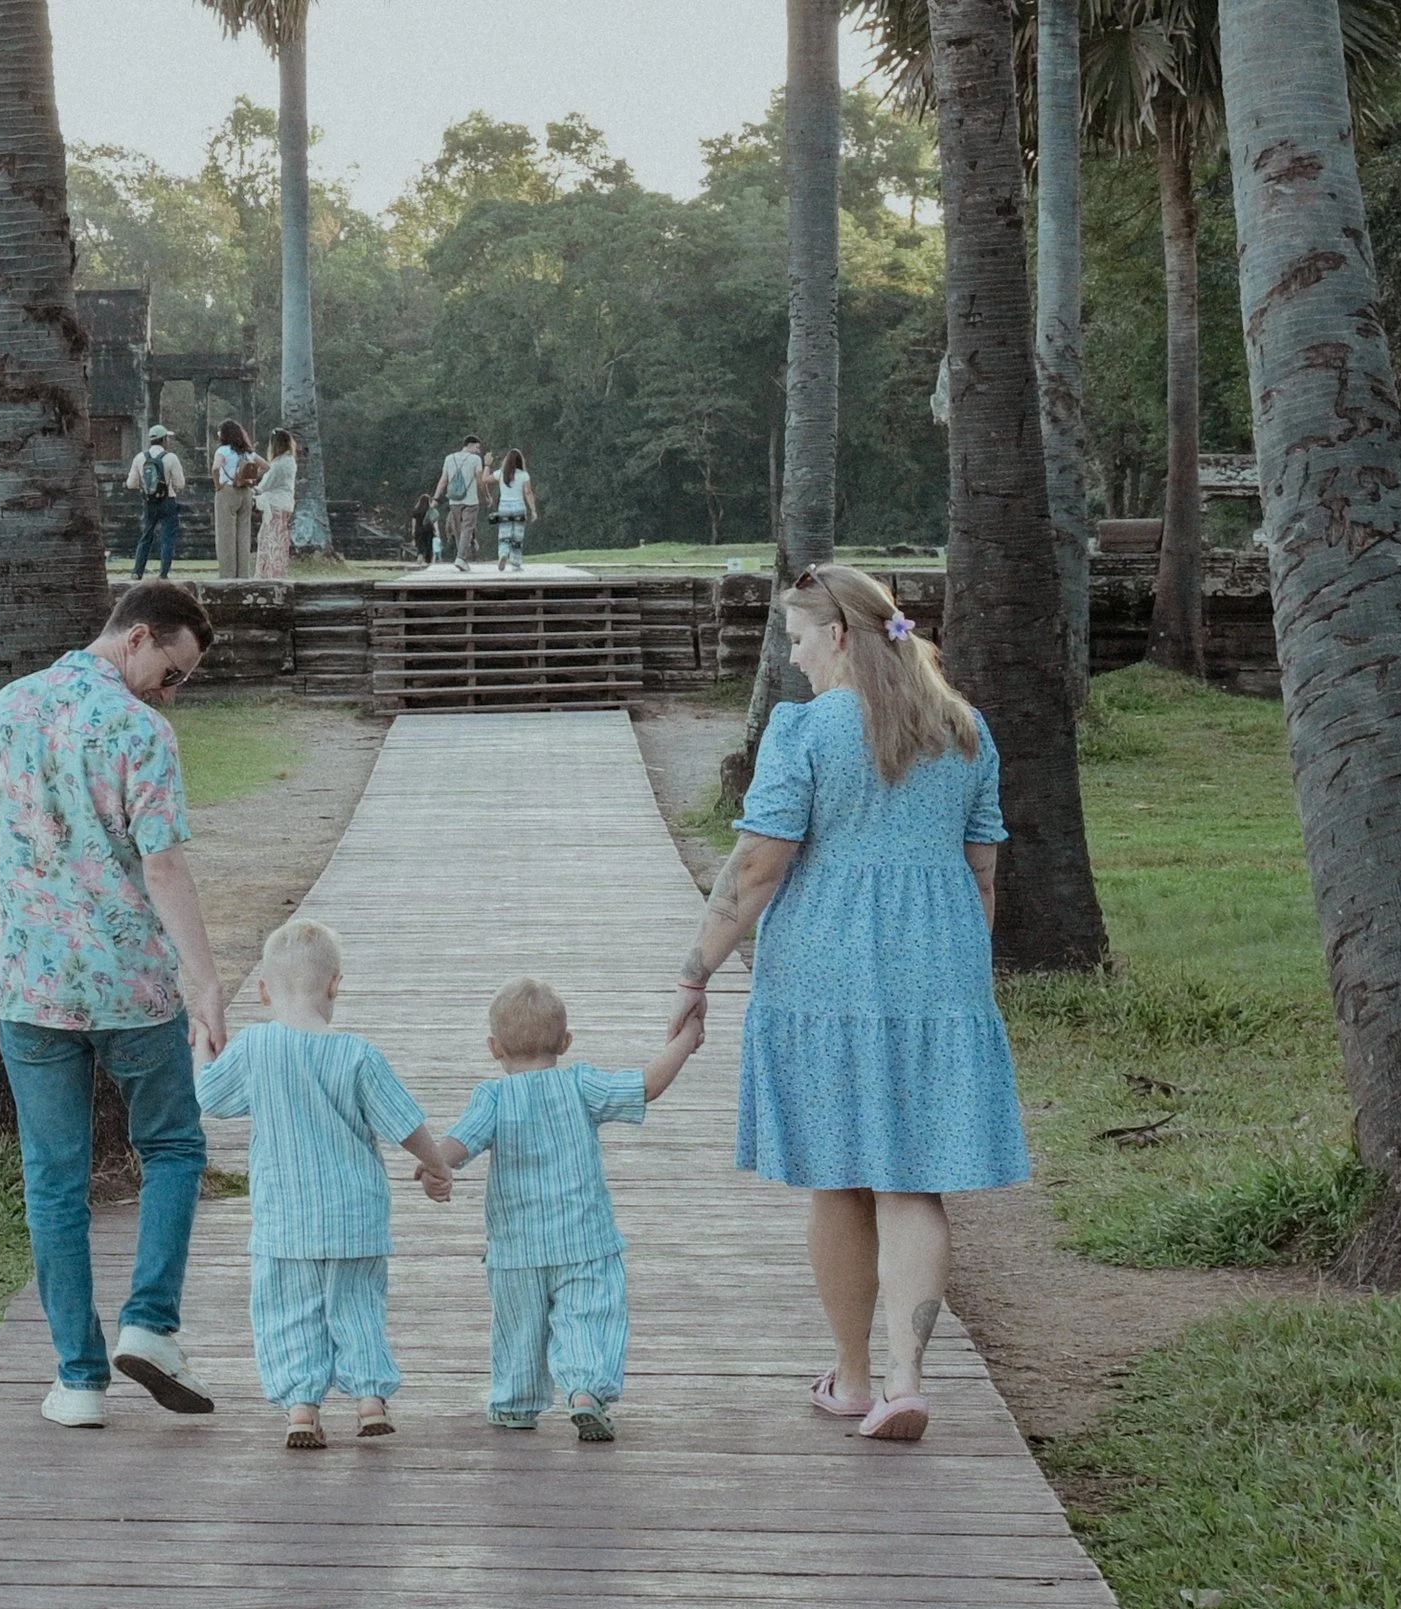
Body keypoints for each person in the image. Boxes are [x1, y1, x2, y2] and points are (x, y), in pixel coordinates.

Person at [669, 564, 1025, 1444]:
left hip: (825, 979)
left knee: (838, 1175)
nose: (792, 660)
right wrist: (958, 972)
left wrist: (696, 971)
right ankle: (908, 1376)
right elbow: (984, 874)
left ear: (836, 635)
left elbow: (758, 865)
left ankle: (855, 1376)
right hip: (939, 978)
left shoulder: (807, 731)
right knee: (913, 1176)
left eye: (796, 638)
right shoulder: (965, 728)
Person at [0, 580, 229, 1432]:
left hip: (31, 988)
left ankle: (79, 1379)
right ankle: (151, 1324)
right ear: (138, 637)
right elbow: (162, 866)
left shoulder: (8, 708)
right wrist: (205, 979)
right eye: (173, 670)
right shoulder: (140, 731)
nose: (171, 688)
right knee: (172, 1146)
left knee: (55, 1180)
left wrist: (23, 939)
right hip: (132, 986)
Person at [195, 919, 458, 1450]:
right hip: (354, 1217)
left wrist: (202, 1042)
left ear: (265, 990)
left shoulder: (256, 1048)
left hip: (284, 1220)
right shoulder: (358, 1055)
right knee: (358, 1306)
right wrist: (437, 1166)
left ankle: (301, 1409)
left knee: (290, 1312)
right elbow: (404, 1123)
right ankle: (369, 1402)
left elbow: (209, 1098)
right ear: (335, 985)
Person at [437, 978, 704, 1442]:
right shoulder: (581, 1084)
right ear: (565, 1042)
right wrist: (685, 1040)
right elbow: (646, 1086)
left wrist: (433, 1166)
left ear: (494, 1048)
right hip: (584, 1241)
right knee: (589, 1318)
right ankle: (585, 1392)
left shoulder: (493, 1098)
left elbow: (459, 1144)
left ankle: (515, 1402)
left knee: (518, 1328)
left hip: (517, 1249)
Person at [125, 424, 186, 580]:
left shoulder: (140, 458)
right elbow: (180, 484)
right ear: (164, 439)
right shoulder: (171, 458)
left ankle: (137, 571)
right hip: (168, 500)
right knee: (168, 537)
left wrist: (145, 487)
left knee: (146, 536)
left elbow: (131, 483)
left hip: (149, 501)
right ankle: (164, 573)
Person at [211, 419, 260, 578]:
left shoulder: (223, 451)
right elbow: (266, 466)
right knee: (243, 535)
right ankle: (243, 574)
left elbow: (216, 468)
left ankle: (227, 575)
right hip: (246, 491)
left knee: (226, 536)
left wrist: (218, 485)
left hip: (228, 490)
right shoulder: (248, 452)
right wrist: (251, 478)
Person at [430, 435, 485, 572]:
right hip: (471, 500)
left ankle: (462, 558)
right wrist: (486, 495)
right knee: (467, 528)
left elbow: (443, 480)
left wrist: (436, 498)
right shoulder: (475, 459)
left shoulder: (449, 458)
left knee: (459, 530)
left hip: (454, 500)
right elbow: (479, 480)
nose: (478, 451)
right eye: (477, 447)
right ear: (470, 445)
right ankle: (461, 558)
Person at [254, 429, 301, 581]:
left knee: (269, 538)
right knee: (280, 538)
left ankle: (268, 573)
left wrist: (251, 487)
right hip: (286, 503)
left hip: (274, 505)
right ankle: (278, 571)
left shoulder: (278, 464)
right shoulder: (290, 461)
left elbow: (265, 486)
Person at [489, 448, 539, 572]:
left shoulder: (500, 473)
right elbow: (527, 492)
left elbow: (485, 479)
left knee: (504, 533)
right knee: (517, 536)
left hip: (504, 506)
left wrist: (486, 465)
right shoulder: (524, 475)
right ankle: (516, 562)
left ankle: (503, 553)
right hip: (519, 507)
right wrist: (533, 510)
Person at [411, 492, 439, 566]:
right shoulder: (430, 511)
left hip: (419, 530)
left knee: (420, 544)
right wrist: (436, 531)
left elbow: (414, 521)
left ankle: (420, 555)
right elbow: (434, 521)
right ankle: (428, 559)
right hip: (428, 530)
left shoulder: (416, 510)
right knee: (428, 545)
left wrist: (413, 530)